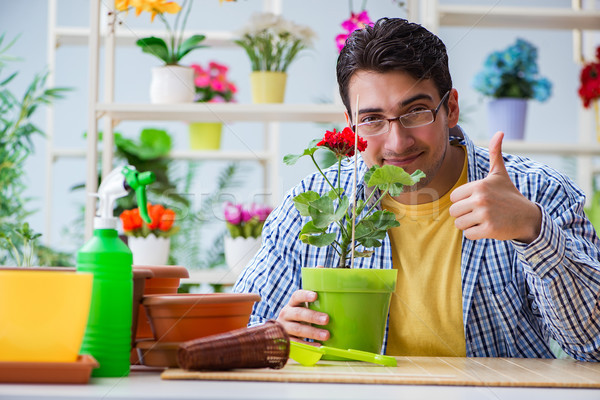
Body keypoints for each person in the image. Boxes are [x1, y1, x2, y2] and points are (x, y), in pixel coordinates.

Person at [233, 17, 600, 361]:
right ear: (350, 126)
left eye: (416, 111)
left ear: (451, 108)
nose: (397, 140)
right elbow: (240, 331)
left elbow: (593, 346)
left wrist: (533, 230)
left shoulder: (536, 191)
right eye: (372, 119)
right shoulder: (314, 200)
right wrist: (276, 335)